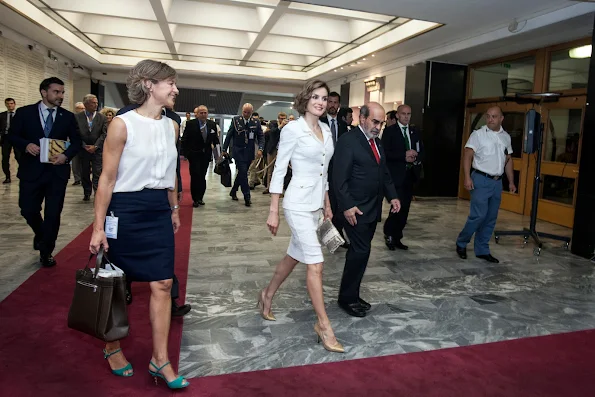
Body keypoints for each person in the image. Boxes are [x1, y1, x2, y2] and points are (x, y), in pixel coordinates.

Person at [89, 59, 189, 389]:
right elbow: (106, 178)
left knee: (162, 283)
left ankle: (160, 360)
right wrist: (98, 227)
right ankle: (112, 346)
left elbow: (171, 172)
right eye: (170, 83)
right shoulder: (122, 124)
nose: (175, 89)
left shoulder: (171, 126)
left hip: (156, 210)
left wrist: (173, 208)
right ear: (148, 84)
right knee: (116, 284)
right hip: (125, 211)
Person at [261, 80, 343, 353]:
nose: (320, 102)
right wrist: (274, 210)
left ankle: (267, 295)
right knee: (316, 263)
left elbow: (325, 173)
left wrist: (327, 205)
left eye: (324, 98)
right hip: (295, 204)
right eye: (315, 97)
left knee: (295, 255)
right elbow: (280, 170)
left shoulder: (327, 131)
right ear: (305, 100)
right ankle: (323, 324)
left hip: (316, 206)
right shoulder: (292, 130)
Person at [115, 103, 191, 318]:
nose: (175, 90)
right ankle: (124, 287)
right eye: (169, 84)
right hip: (129, 200)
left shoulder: (173, 120)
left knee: (164, 269)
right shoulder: (125, 116)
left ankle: (171, 301)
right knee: (123, 258)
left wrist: (175, 199)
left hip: (158, 200)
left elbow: (172, 161)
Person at [333, 102, 400, 318]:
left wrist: (393, 196)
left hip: (372, 209)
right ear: (362, 119)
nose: (378, 126)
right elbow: (338, 179)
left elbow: (384, 173)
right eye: (375, 121)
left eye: (381, 123)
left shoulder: (376, 143)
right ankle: (347, 298)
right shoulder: (348, 142)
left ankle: (351, 294)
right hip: (355, 210)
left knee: (361, 253)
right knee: (360, 251)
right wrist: (347, 206)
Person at [8, 77, 82, 267]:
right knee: (28, 209)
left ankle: (46, 250)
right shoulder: (25, 113)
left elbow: (76, 142)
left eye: (62, 92)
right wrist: (26, 145)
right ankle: (41, 235)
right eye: (56, 92)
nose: (61, 96)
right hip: (31, 172)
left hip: (56, 173)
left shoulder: (67, 116)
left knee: (53, 213)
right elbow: (12, 136)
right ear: (44, 92)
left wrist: (65, 156)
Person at [456, 106, 516, 263]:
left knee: (490, 217)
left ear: (501, 118)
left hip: (497, 182)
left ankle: (482, 249)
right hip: (480, 179)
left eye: (494, 116)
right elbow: (467, 156)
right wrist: (467, 177)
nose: (490, 119)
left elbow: (508, 160)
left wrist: (511, 181)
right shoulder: (478, 135)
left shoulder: (506, 137)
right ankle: (461, 242)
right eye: (488, 116)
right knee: (478, 215)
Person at [381, 105, 424, 250]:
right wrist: (403, 156)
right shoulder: (389, 131)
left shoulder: (415, 131)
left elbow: (421, 149)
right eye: (403, 114)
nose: (406, 116)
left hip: (410, 175)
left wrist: (416, 157)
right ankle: (389, 234)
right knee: (396, 207)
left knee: (405, 208)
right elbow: (385, 153)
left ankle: (398, 236)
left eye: (409, 114)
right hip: (396, 175)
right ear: (398, 115)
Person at [320, 91, 349, 248]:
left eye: (335, 102)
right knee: (324, 205)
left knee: (339, 205)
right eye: (329, 102)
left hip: (340, 171)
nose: (332, 105)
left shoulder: (344, 125)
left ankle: (337, 236)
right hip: (323, 170)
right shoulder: (319, 123)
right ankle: (325, 236)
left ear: (339, 105)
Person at [222, 103, 264, 207]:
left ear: (251, 112)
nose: (246, 114)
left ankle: (234, 190)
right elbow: (229, 135)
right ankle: (247, 196)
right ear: (242, 111)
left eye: (248, 112)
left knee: (242, 172)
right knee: (243, 172)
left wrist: (260, 148)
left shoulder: (256, 122)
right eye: (244, 112)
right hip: (238, 151)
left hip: (249, 152)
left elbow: (261, 136)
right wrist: (224, 148)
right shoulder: (236, 120)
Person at [182, 105, 220, 207]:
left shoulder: (212, 125)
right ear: (197, 114)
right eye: (201, 113)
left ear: (207, 114)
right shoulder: (191, 124)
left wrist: (218, 155)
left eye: (205, 113)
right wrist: (186, 154)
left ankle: (201, 197)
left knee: (202, 176)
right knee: (195, 176)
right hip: (194, 155)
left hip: (206, 155)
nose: (203, 115)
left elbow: (215, 140)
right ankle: (195, 199)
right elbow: (185, 139)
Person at [74, 94, 107, 201]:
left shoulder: (102, 118)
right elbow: (75, 133)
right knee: (85, 172)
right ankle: (87, 192)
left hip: (97, 150)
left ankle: (97, 192)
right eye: (93, 103)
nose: (96, 105)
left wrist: (96, 146)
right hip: (83, 150)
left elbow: (104, 134)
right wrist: (84, 145)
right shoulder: (77, 117)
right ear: (86, 104)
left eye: (97, 103)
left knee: (98, 171)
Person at [1, 97, 20, 183]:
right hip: (6, 138)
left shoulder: (20, 115)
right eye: (8, 104)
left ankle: (23, 174)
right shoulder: (1, 115)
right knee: (5, 158)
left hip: (17, 138)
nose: (10, 105)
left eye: (11, 103)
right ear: (5, 104)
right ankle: (7, 177)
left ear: (14, 104)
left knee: (19, 157)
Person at [71, 101, 86, 185]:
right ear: (76, 109)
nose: (83, 110)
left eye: (84, 108)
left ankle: (83, 177)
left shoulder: (86, 117)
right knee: (75, 162)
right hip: (75, 142)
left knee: (83, 162)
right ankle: (77, 178)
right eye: (81, 108)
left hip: (85, 143)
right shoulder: (72, 117)